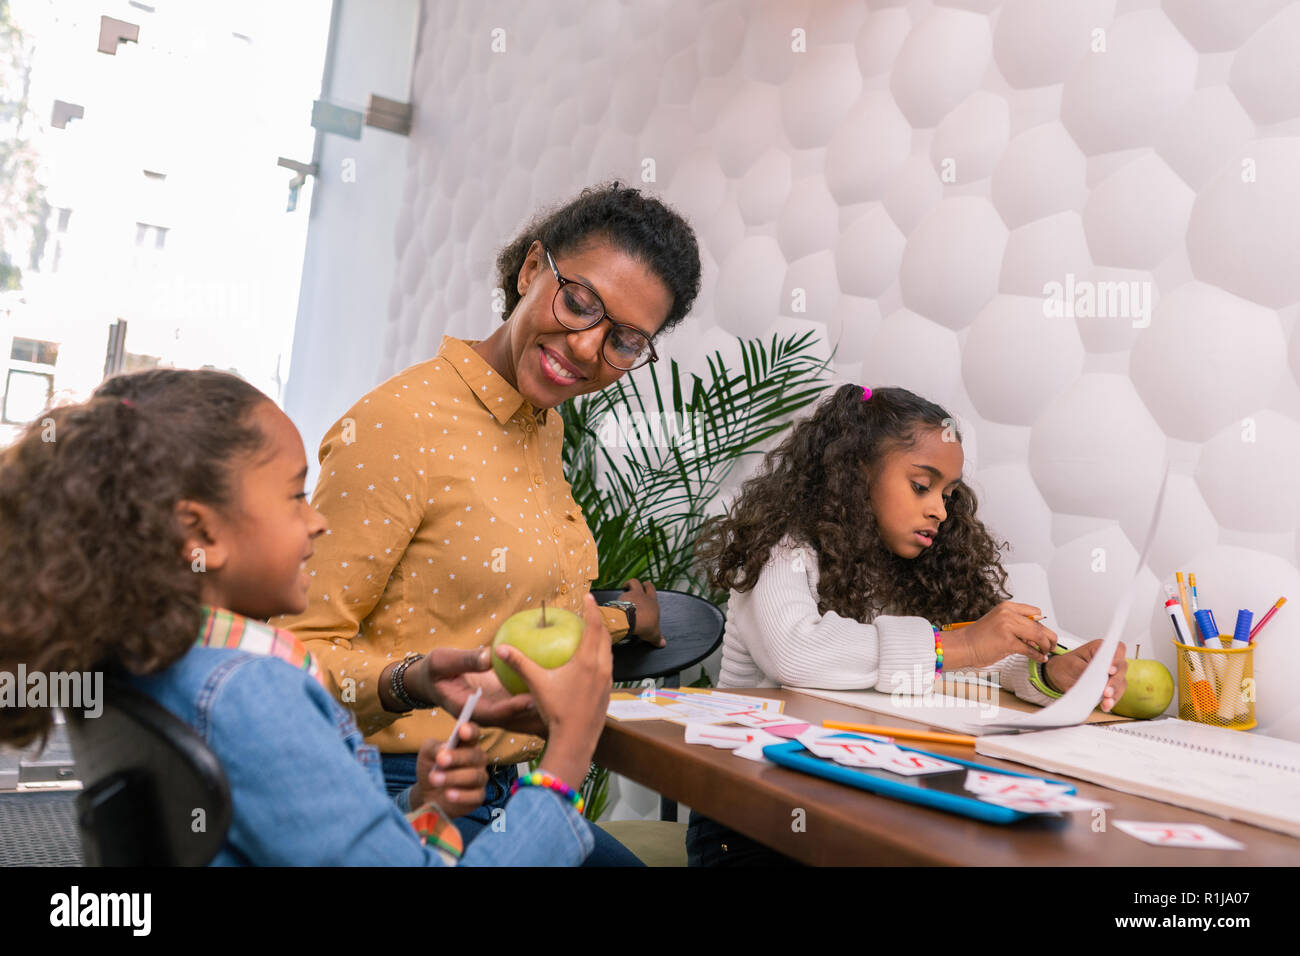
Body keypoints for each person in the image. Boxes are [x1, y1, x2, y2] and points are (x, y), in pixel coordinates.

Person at [0, 368, 613, 865]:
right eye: (296, 494)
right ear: (201, 533)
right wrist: (566, 758)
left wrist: (422, 803)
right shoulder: (254, 696)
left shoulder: (133, 660)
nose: (316, 519)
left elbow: (295, 842)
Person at [273, 182, 702, 864]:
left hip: (517, 793)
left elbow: (516, 620)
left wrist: (624, 623)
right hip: (401, 797)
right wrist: (408, 679)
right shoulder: (400, 424)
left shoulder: (543, 427)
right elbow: (289, 659)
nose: (589, 348)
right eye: (580, 302)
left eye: (623, 340)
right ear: (533, 269)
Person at [688, 384, 1128, 866]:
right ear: (857, 472)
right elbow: (796, 652)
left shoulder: (922, 568)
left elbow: (971, 663)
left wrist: (1050, 671)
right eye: (922, 485)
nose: (940, 509)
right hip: (751, 815)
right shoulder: (783, 549)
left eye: (949, 494)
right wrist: (953, 646)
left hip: (862, 804)